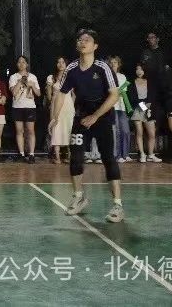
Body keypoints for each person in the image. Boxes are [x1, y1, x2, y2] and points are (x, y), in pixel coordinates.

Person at [55, 29, 124, 223]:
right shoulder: (71, 69)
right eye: (80, 39)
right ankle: (79, 197)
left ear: (95, 46)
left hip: (103, 117)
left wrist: (96, 116)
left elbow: (114, 95)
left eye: (87, 39)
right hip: (81, 118)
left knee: (108, 159)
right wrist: (55, 117)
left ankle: (118, 205)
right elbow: (61, 94)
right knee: (75, 159)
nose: (82, 42)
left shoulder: (103, 67)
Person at [9, 56, 40, 163]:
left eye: (23, 62)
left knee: (30, 131)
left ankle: (31, 154)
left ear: (27, 64)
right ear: (17, 64)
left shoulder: (33, 77)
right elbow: (13, 92)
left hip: (30, 107)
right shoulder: (13, 77)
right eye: (19, 62)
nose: (21, 64)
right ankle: (21, 153)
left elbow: (38, 93)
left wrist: (32, 85)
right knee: (19, 131)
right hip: (17, 106)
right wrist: (20, 82)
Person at [128, 63, 160, 163]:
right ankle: (142, 154)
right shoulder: (131, 82)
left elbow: (154, 95)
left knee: (151, 133)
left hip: (149, 108)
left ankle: (151, 154)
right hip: (138, 109)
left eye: (141, 69)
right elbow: (132, 97)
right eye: (137, 69)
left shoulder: (150, 81)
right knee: (139, 132)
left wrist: (148, 107)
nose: (139, 71)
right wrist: (142, 106)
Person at [46, 57, 74, 164]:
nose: (61, 64)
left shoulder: (70, 77)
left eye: (63, 62)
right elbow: (49, 94)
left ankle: (69, 156)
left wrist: (72, 104)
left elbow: (74, 94)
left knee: (69, 128)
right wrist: (52, 101)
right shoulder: (51, 77)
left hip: (68, 104)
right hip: (55, 104)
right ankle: (57, 157)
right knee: (56, 128)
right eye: (58, 62)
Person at [108, 56, 132, 163]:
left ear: (119, 64)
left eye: (115, 62)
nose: (113, 64)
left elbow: (123, 91)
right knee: (116, 131)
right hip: (112, 106)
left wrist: (118, 91)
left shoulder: (122, 76)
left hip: (121, 107)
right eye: (111, 62)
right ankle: (117, 156)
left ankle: (125, 154)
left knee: (125, 131)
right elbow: (109, 91)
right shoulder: (107, 76)